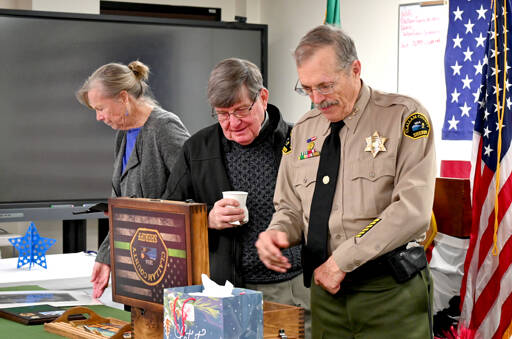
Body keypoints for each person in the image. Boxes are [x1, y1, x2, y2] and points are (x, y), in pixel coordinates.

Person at [256, 25, 436, 338]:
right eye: (307, 89)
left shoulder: (404, 117)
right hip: (327, 296)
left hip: (389, 293)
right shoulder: (303, 131)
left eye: (325, 86)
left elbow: (411, 210)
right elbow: (290, 206)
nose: (317, 99)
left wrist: (342, 260)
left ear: (355, 69)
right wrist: (277, 232)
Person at [164, 58, 311, 336]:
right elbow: (168, 217)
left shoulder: (301, 142)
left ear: (263, 98)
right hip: (221, 289)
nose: (233, 123)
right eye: (222, 114)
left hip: (289, 287)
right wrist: (205, 218)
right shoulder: (197, 148)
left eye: (241, 110)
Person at [76, 61, 190, 299]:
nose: (98, 117)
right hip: (138, 265)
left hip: (167, 271)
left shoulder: (164, 127)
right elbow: (122, 205)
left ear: (123, 98)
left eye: (101, 108)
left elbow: (193, 189)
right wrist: (105, 257)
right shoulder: (123, 134)